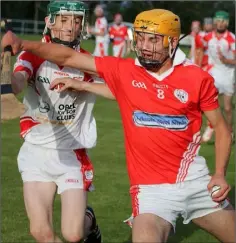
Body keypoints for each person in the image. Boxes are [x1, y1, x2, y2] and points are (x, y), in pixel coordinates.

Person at [2, 8, 235, 243]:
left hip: (196, 183)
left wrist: (219, 174)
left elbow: (223, 129)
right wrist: (23, 44)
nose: (144, 46)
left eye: (153, 39)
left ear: (172, 42)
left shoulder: (197, 78)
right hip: (152, 193)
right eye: (140, 38)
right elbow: (68, 57)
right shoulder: (126, 71)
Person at [8, 1, 102, 242]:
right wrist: (5, 70)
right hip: (36, 153)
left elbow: (120, 89)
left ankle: (88, 219)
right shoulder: (33, 55)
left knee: (73, 235)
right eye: (64, 20)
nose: (71, 27)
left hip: (70, 155)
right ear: (49, 22)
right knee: (41, 232)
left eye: (76, 20)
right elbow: (18, 83)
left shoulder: (87, 61)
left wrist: (82, 84)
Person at [198, 11, 235, 142]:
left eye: (223, 21)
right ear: (214, 22)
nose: (220, 23)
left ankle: (229, 131)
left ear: (227, 23)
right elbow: (200, 49)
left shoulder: (231, 38)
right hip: (213, 73)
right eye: (218, 20)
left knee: (227, 108)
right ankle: (210, 126)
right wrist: (199, 65)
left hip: (228, 75)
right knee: (206, 103)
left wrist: (226, 60)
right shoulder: (207, 37)